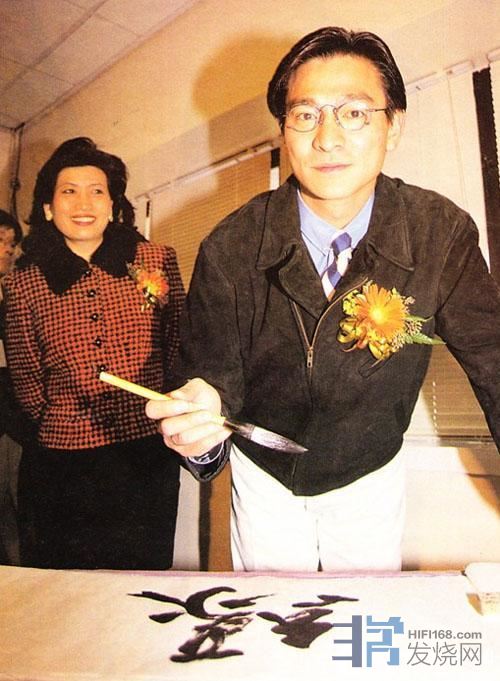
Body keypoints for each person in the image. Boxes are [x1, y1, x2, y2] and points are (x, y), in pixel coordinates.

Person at [146, 26, 500, 573]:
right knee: (269, 617)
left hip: (370, 476)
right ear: (283, 131)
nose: (327, 138)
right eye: (306, 115)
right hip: (265, 478)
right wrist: (199, 429)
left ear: (393, 125)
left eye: (354, 113)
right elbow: (210, 381)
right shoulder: (230, 245)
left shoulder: (439, 232)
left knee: (363, 619)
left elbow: (493, 357)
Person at [3, 137, 185, 570]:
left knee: (141, 579)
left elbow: (178, 342)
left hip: (144, 455)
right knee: (65, 585)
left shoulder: (154, 260)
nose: (83, 203)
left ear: (112, 204)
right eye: (69, 191)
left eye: (96, 191)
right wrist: (65, 423)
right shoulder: (24, 283)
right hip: (61, 462)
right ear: (48, 208)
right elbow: (27, 379)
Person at [0, 209, 25, 564]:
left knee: (18, 512)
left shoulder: (18, 290)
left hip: (16, 420)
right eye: (0, 241)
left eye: (11, 242)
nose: (8, 249)